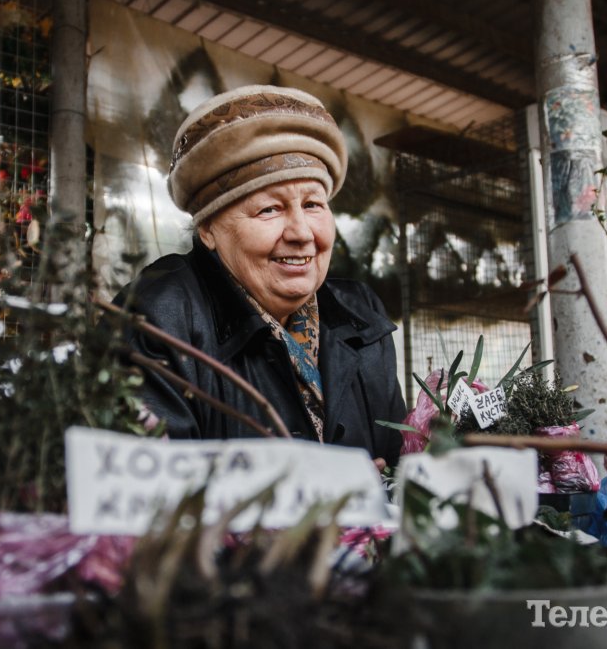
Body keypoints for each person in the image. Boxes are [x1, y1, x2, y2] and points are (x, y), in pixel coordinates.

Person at [114, 85, 405, 469]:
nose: (301, 233)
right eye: (270, 209)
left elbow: (398, 463)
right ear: (209, 229)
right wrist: (319, 491)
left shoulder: (361, 316)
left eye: (313, 204)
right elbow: (147, 487)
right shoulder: (157, 319)